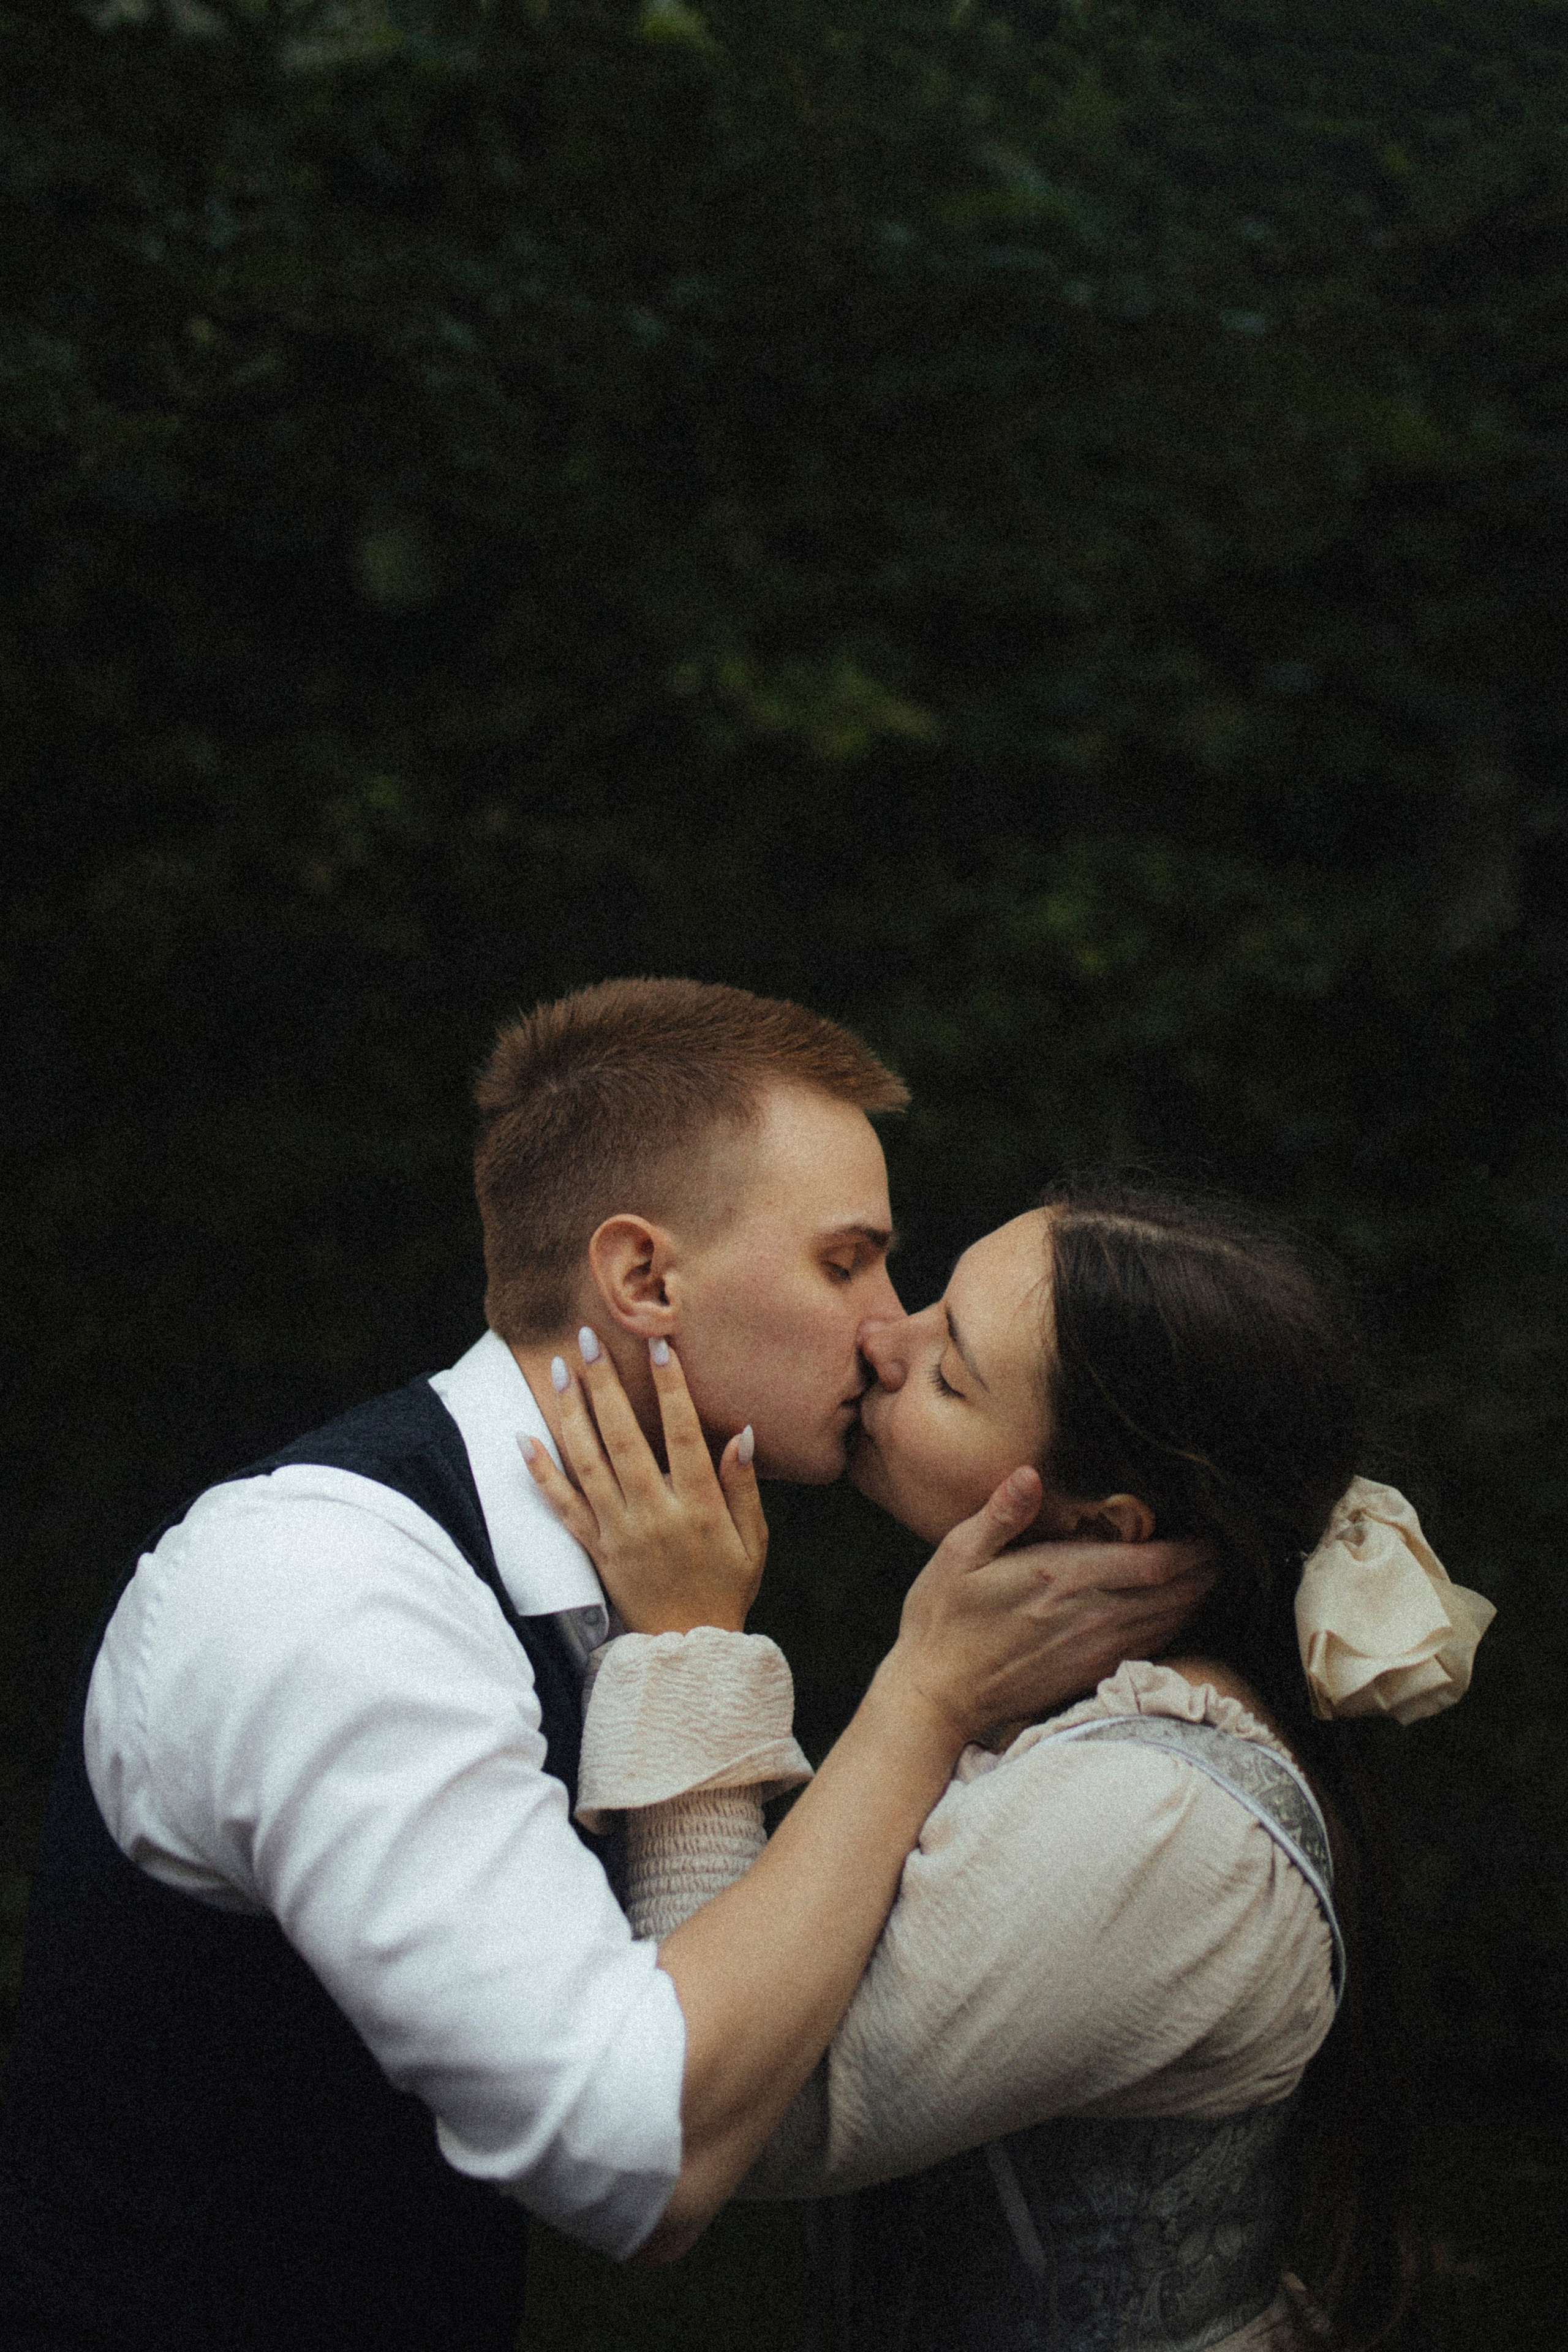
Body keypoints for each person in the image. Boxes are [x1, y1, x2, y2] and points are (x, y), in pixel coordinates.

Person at [0, 981, 1208, 2352]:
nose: (885, 1329)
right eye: (843, 1261)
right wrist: (922, 1699)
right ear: (643, 1280)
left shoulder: (629, 1578)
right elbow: (630, 2151)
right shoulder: (329, 1591)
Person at [524, 1174, 1495, 2350]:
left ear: (1101, 1530)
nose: (885, 1338)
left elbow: (704, 2112)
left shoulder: (1163, 1823)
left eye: (949, 1372)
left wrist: (697, 1644)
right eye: (934, 1306)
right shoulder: (1076, 1715)